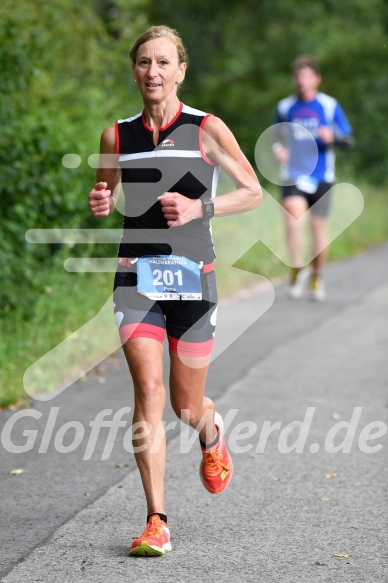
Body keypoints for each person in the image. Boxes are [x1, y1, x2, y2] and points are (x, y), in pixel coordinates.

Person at [88, 25, 262, 556]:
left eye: (164, 63)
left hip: (193, 278)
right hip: (136, 277)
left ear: (181, 70)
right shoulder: (116, 136)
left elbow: (253, 192)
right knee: (149, 392)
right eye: (144, 63)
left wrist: (199, 207)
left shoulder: (206, 128)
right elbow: (108, 192)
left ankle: (211, 432)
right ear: (134, 70)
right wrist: (99, 201)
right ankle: (156, 520)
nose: (153, 73)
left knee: (186, 405)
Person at [273, 55, 353, 301]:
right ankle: (298, 269)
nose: (302, 81)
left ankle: (317, 275)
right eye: (298, 76)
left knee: (318, 230)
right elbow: (275, 136)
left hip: (321, 176)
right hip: (294, 174)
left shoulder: (329, 106)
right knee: (293, 221)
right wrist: (279, 150)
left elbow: (348, 139)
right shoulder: (285, 107)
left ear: (317, 79)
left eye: (307, 76)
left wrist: (333, 137)